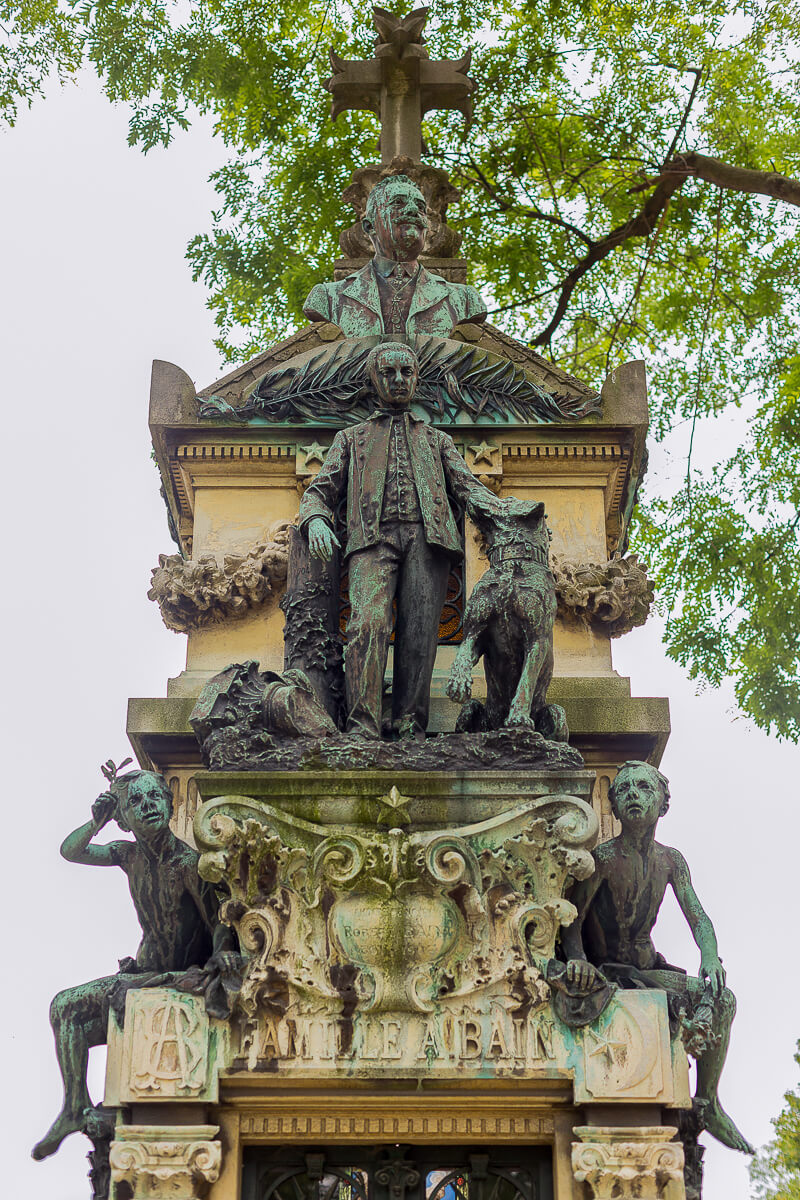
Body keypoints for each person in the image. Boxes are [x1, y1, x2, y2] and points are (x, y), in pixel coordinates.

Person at [298, 341, 501, 739]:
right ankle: (362, 726)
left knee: (420, 634)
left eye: (406, 373)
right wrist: (317, 520)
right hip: (372, 541)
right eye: (388, 373)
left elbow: (470, 490)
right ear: (374, 380)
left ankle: (411, 725)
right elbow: (319, 491)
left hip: (429, 541)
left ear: (416, 379)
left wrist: (513, 516)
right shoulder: (352, 439)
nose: (398, 380)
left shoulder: (436, 439)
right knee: (367, 624)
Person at [32, 770, 238, 1162]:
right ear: (124, 818)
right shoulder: (128, 856)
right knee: (65, 1010)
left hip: (172, 975)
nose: (148, 807)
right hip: (140, 974)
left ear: (170, 803)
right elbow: (71, 851)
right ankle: (75, 1106)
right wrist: (96, 822)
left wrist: (222, 954)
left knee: (70, 1010)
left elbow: (218, 924)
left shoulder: (188, 865)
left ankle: (78, 1109)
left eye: (154, 798)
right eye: (137, 803)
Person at [561, 760, 753, 1155]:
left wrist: (711, 957)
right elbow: (572, 918)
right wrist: (577, 959)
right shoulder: (603, 858)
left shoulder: (671, 860)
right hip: (612, 969)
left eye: (644, 788)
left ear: (663, 805)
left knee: (722, 999)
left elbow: (697, 916)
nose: (634, 795)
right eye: (625, 789)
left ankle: (708, 1100)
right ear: (612, 806)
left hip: (649, 968)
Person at [303, 174, 486, 339]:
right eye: (398, 203)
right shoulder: (327, 297)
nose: (414, 210)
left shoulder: (465, 300)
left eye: (421, 207)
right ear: (369, 226)